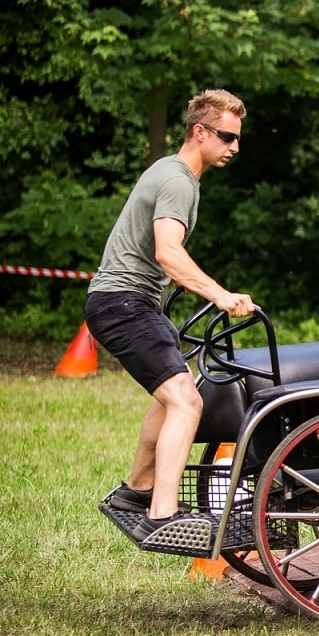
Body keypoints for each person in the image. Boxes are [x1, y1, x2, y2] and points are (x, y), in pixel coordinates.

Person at [86, 89, 255, 545]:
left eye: (237, 138)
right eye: (226, 136)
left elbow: (153, 248)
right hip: (124, 303)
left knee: (171, 396)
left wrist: (181, 280)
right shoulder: (179, 180)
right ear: (199, 132)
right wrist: (218, 293)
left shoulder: (169, 171)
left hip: (123, 300)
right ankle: (163, 513)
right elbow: (166, 251)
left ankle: (137, 492)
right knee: (187, 401)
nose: (234, 147)